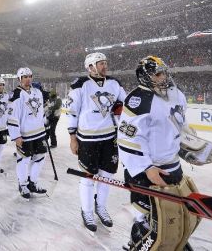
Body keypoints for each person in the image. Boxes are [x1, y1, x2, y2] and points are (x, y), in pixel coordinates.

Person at [118, 56, 199, 250]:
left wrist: (193, 146)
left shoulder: (176, 93)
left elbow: (180, 124)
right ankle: (139, 242)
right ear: (145, 77)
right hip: (148, 170)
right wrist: (146, 167)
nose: (164, 77)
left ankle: (171, 242)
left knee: (175, 214)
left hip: (172, 166)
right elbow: (128, 137)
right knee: (150, 218)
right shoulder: (138, 99)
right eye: (158, 74)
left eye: (164, 72)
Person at [65, 52, 127, 231]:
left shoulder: (115, 83)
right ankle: (87, 211)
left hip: (109, 138)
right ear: (90, 67)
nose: (105, 66)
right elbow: (72, 112)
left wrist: (120, 110)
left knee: (106, 176)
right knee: (88, 177)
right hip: (88, 140)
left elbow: (126, 104)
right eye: (100, 63)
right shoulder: (79, 85)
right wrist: (72, 138)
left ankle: (100, 206)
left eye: (105, 63)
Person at [7, 67, 48, 199]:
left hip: (39, 133)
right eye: (25, 77)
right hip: (24, 135)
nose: (28, 79)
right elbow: (12, 117)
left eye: (30, 76)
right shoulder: (16, 95)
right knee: (24, 160)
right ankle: (23, 184)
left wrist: (44, 125)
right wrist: (16, 135)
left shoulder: (37, 92)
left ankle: (33, 183)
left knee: (40, 157)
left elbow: (40, 112)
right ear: (20, 79)